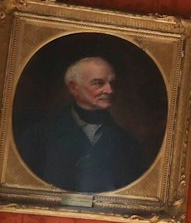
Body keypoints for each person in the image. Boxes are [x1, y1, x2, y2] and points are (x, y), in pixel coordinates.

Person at [12, 56, 158, 194]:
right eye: (98, 83)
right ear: (74, 88)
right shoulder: (37, 136)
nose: (109, 90)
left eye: (112, 83)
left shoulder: (129, 145)